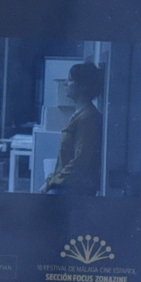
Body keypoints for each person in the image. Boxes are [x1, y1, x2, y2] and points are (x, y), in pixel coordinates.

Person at [40, 61, 104, 195]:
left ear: (83, 86)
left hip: (74, 191)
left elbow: (80, 161)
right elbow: (63, 161)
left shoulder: (88, 117)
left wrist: (52, 182)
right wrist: (50, 180)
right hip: (66, 186)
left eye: (70, 80)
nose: (65, 84)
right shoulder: (79, 115)